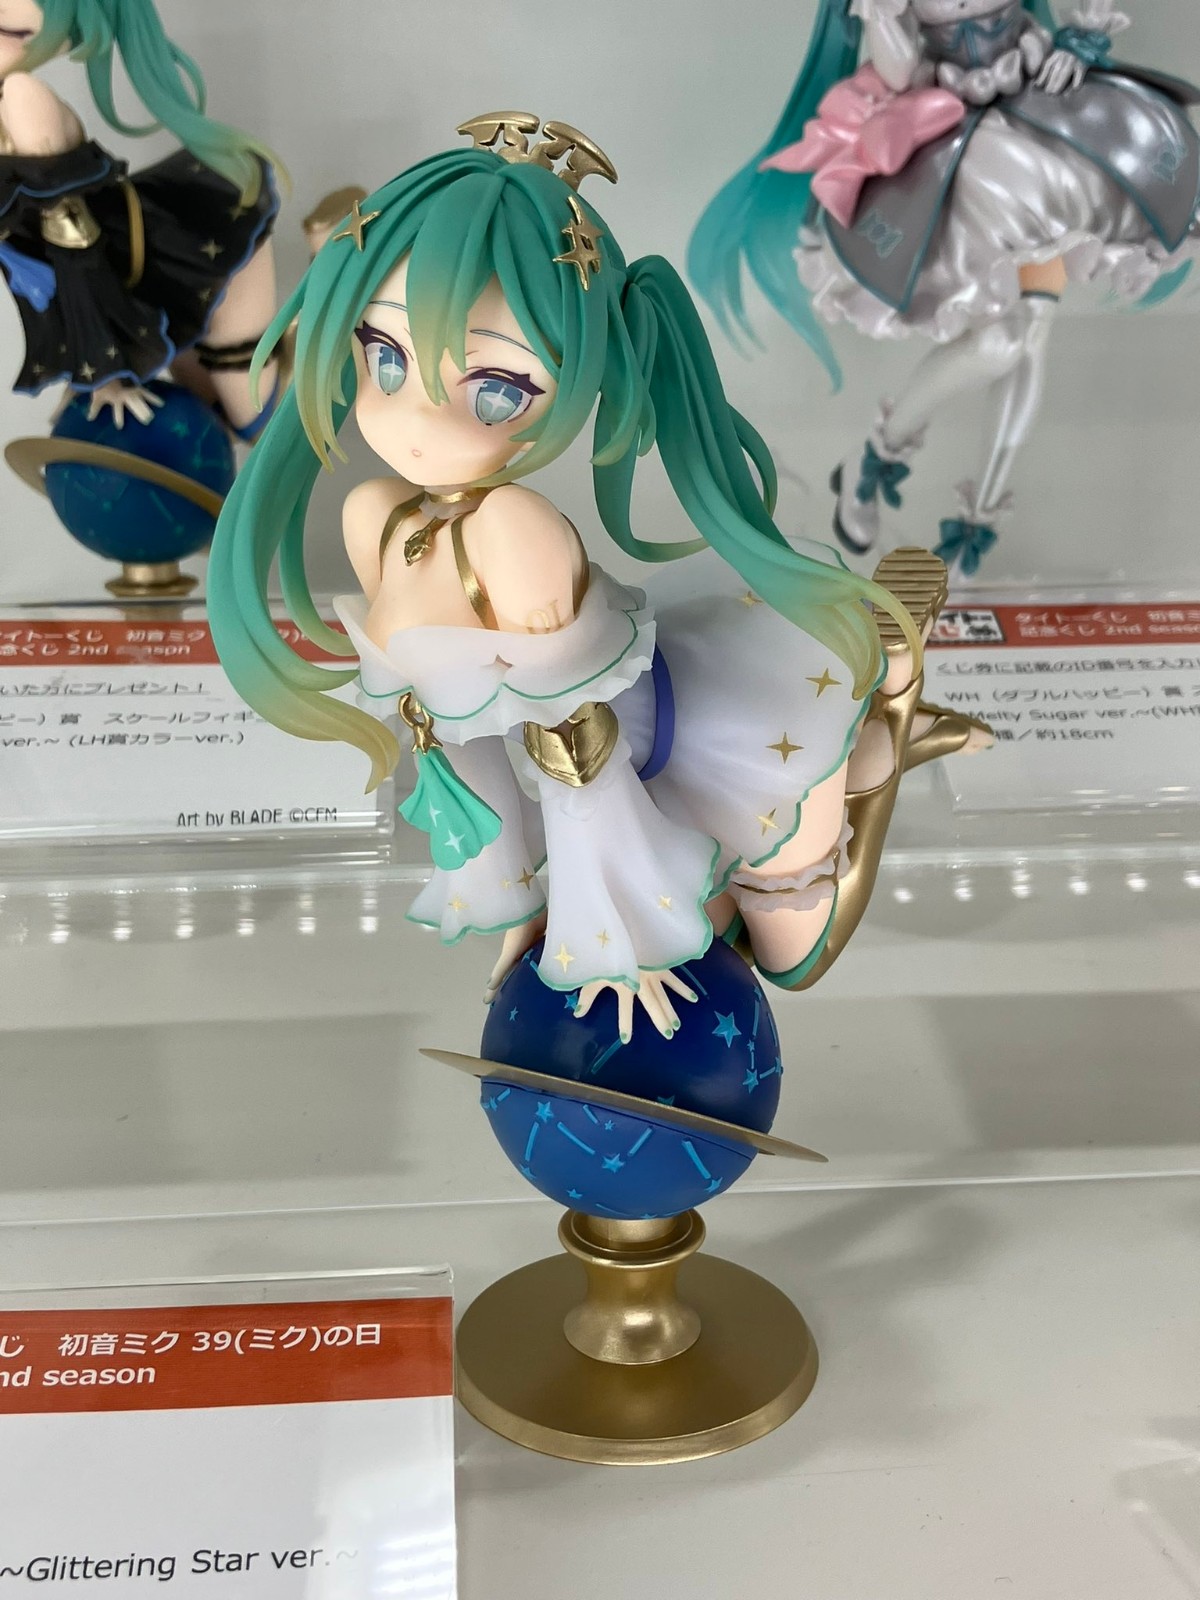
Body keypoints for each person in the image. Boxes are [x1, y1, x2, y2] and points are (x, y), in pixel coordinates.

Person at [209, 112, 984, 1040]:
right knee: (732, 925)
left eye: (496, 389)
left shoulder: (515, 532)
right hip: (600, 779)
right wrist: (516, 909)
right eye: (385, 357)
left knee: (794, 954)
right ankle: (873, 720)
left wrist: (610, 938)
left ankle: (884, 717)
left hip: (688, 742)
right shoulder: (375, 517)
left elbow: (579, 757)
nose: (416, 423)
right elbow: (456, 744)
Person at [690, 0, 1200, 573]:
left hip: (1047, 129)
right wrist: (881, 15)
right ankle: (880, 459)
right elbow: (898, 72)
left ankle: (971, 512)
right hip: (969, 155)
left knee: (1027, 337)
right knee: (1001, 344)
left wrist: (1081, 39)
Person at [0, 0, 281, 436]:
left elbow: (72, 245)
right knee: (220, 419)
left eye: (10, 33)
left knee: (255, 425)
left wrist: (104, 371)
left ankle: (333, 306)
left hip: (159, 254)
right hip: (122, 277)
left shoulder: (21, 98)